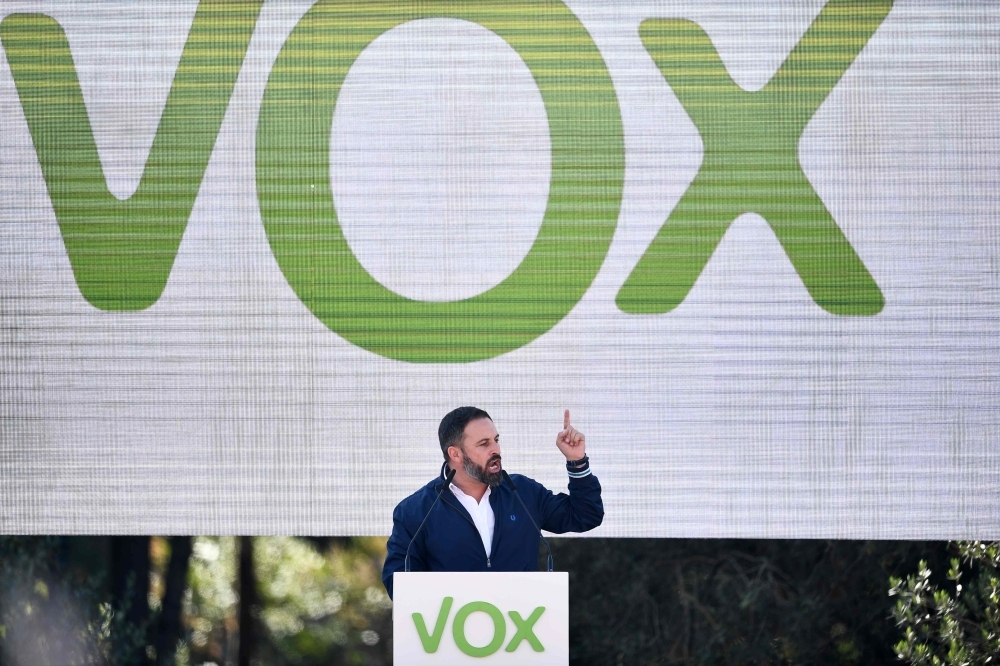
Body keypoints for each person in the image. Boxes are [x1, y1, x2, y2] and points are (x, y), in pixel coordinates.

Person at [381, 406, 603, 598]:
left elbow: (585, 515)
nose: (496, 450)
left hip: (522, 634)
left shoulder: (523, 493)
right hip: (448, 637)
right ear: (455, 454)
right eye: (484, 443)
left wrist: (577, 462)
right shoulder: (416, 511)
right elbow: (397, 581)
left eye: (496, 440)